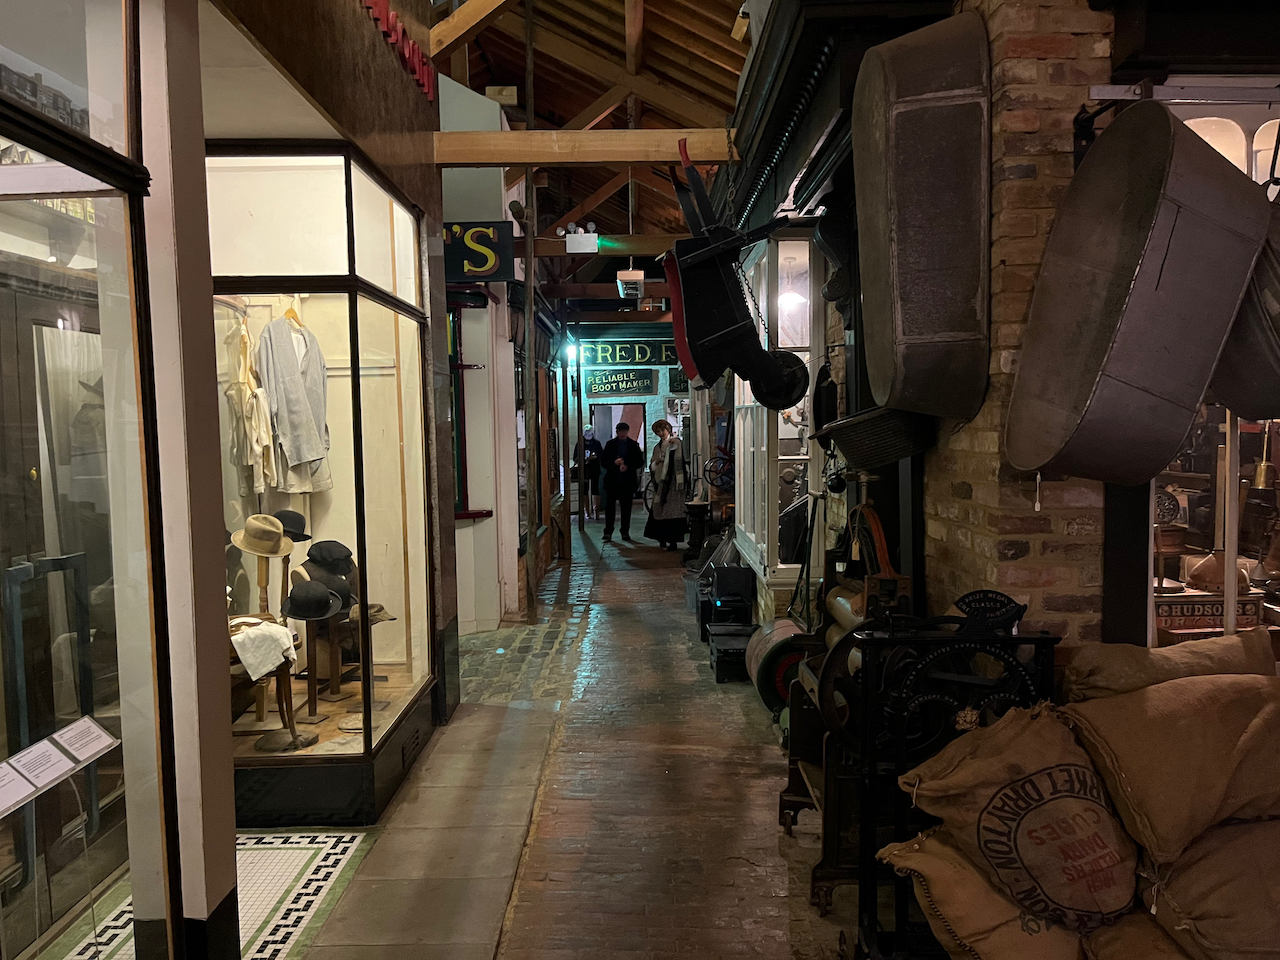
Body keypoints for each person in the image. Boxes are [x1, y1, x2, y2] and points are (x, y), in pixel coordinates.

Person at [644, 420, 689, 550]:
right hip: (661, 482)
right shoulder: (657, 447)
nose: (661, 434)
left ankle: (673, 541)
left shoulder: (676, 443)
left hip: (674, 482)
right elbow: (652, 466)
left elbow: (682, 461)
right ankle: (662, 538)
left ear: (668, 429)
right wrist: (657, 462)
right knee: (660, 510)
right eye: (658, 432)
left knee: (673, 511)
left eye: (662, 430)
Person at [601, 421, 644, 543]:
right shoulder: (610, 445)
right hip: (612, 481)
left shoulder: (633, 445)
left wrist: (628, 466)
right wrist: (614, 463)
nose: (623, 433)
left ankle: (625, 531)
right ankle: (608, 531)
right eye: (621, 431)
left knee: (626, 508)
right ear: (617, 432)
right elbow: (603, 461)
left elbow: (640, 462)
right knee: (610, 508)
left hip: (627, 481)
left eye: (625, 431)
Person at [573, 425, 604, 521]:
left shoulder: (596, 443)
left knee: (595, 489)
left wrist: (595, 457)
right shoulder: (580, 444)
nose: (588, 435)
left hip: (594, 468)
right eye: (586, 433)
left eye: (590, 433)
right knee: (584, 490)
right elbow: (575, 458)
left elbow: (601, 456)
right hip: (584, 469)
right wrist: (583, 459)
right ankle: (587, 511)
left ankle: (596, 511)